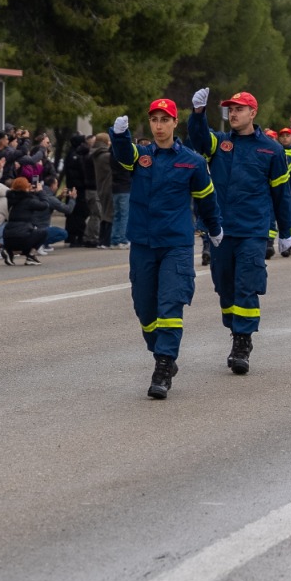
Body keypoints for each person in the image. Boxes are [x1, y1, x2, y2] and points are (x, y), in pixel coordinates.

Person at [112, 98, 222, 399]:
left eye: (165, 120)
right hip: (143, 244)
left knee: (170, 304)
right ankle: (161, 352)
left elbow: (206, 198)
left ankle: (163, 365)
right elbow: (123, 154)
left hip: (176, 244)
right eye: (154, 120)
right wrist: (119, 135)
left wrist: (214, 228)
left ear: (175, 123)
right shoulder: (141, 156)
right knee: (145, 309)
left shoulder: (192, 161)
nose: (159, 126)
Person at [186, 89, 290, 375]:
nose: (233, 113)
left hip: (254, 231)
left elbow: (282, 194)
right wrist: (197, 114)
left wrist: (285, 231)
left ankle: (243, 342)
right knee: (225, 286)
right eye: (230, 109)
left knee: (247, 284)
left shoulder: (272, 149)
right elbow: (198, 137)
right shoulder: (219, 144)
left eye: (239, 109)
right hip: (221, 231)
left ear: (253, 113)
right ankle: (236, 330)